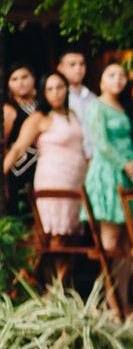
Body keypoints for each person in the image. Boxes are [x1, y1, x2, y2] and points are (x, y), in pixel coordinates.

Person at [82, 63, 133, 313]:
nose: (118, 79)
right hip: (108, 175)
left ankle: (122, 300)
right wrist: (125, 165)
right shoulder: (96, 107)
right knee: (110, 243)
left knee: (127, 244)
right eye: (111, 75)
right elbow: (101, 143)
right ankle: (109, 304)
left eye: (122, 75)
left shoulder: (129, 108)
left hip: (130, 175)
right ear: (101, 81)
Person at [2, 72, 87, 239]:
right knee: (56, 233)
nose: (55, 93)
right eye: (50, 89)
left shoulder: (73, 114)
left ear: (66, 89)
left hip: (76, 181)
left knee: (73, 236)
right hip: (53, 180)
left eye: (59, 87)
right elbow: (18, 149)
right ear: (43, 93)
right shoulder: (39, 118)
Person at [3, 63, 39, 215]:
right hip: (19, 170)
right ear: (8, 84)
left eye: (24, 77)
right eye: (14, 79)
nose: (20, 82)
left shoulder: (42, 106)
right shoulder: (9, 110)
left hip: (43, 168)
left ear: (33, 79)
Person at [57, 50, 97, 159]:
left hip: (95, 157)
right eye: (72, 64)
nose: (78, 68)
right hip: (70, 158)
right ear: (60, 68)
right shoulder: (58, 98)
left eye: (82, 64)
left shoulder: (93, 97)